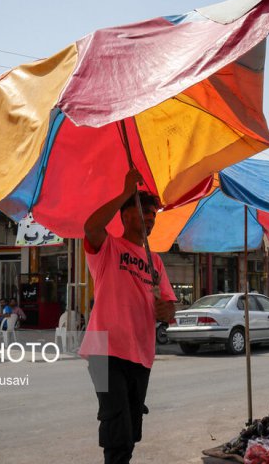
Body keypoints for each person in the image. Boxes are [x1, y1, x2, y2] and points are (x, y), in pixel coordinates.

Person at [80, 168, 176, 464]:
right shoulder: (108, 248)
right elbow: (91, 227)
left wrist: (166, 310)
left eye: (153, 216)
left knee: (132, 428)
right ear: (125, 216)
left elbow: (170, 305)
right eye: (144, 212)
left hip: (141, 354)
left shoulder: (155, 260)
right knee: (116, 425)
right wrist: (124, 192)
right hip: (104, 352)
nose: (150, 218)